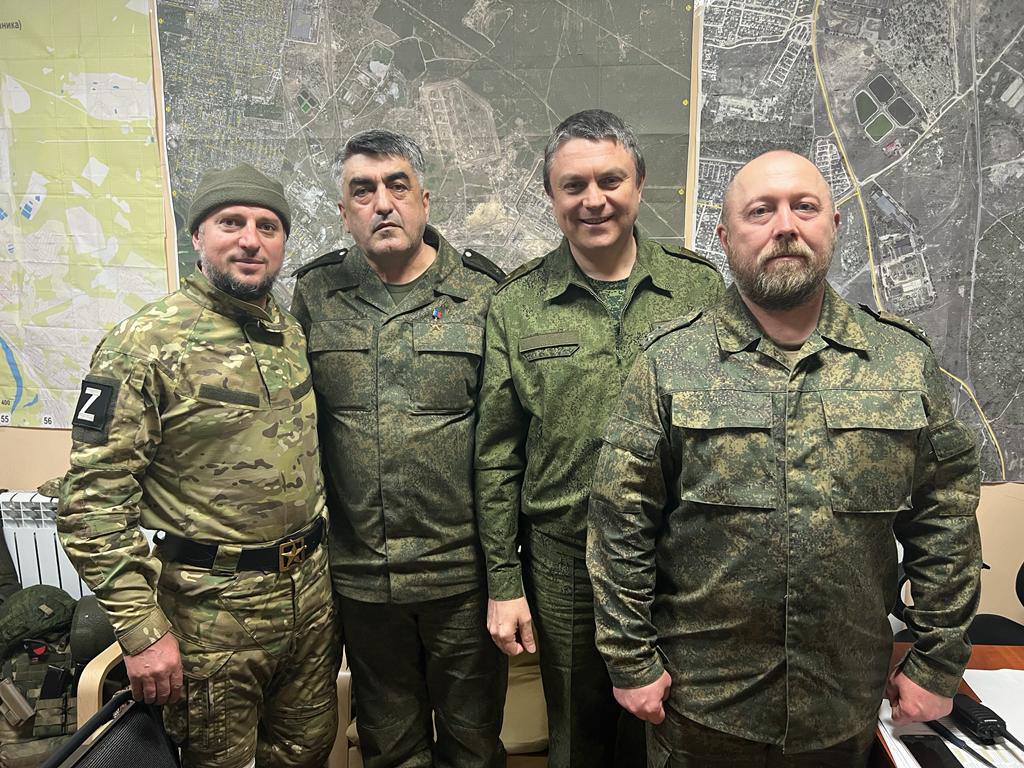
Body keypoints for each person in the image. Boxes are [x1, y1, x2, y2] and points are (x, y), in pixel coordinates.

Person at [587, 149, 983, 767]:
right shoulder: (668, 362)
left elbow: (945, 519)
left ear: (834, 226)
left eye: (805, 207)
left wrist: (938, 662)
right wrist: (629, 661)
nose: (785, 227)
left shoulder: (903, 363)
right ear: (724, 237)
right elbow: (620, 522)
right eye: (760, 211)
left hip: (843, 708)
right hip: (701, 707)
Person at [58, 163, 339, 768]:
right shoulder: (142, 345)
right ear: (197, 237)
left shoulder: (289, 332)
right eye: (231, 223)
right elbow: (90, 506)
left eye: (268, 226)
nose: (250, 240)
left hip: (310, 603)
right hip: (210, 616)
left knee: (308, 753)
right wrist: (142, 630)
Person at [474, 109, 723, 767]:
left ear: (639, 183)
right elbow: (497, 455)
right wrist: (504, 581)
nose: (594, 200)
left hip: (679, 560)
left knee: (675, 732)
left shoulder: (698, 288)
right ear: (551, 195)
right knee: (578, 736)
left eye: (610, 180)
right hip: (565, 564)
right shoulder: (518, 303)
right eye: (573, 185)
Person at [290, 130, 507, 768]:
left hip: (461, 579)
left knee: (473, 747)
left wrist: (504, 575)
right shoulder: (317, 293)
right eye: (363, 191)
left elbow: (502, 444)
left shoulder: (483, 293)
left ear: (424, 200)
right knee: (389, 749)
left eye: (397, 186)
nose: (382, 204)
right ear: (344, 212)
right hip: (361, 579)